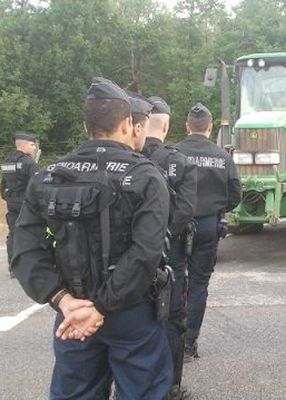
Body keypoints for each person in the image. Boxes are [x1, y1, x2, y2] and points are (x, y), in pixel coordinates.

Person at [11, 77, 174, 399]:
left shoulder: (47, 174)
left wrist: (63, 300)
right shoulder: (144, 176)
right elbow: (146, 252)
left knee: (75, 392)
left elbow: (25, 249)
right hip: (131, 313)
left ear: (87, 124)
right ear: (128, 123)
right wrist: (100, 308)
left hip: (72, 311)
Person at [175, 102, 241, 362]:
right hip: (207, 225)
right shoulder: (223, 157)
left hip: (178, 224)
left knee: (176, 279)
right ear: (211, 127)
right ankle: (190, 342)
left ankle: (173, 340)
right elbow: (235, 194)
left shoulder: (174, 154)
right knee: (199, 284)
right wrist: (218, 210)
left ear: (187, 126)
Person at [142, 95, 197, 399]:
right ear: (166, 126)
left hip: (131, 256)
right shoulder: (178, 161)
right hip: (169, 255)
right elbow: (185, 211)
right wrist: (160, 237)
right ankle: (170, 386)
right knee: (173, 318)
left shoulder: (128, 158)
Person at [1, 131, 39, 276]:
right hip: (26, 204)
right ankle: (30, 266)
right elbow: (35, 185)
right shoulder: (28, 162)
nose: (34, 148)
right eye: (32, 144)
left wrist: (8, 198)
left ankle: (13, 267)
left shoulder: (7, 161)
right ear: (24, 145)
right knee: (31, 233)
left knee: (13, 233)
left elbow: (3, 184)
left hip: (12, 203)